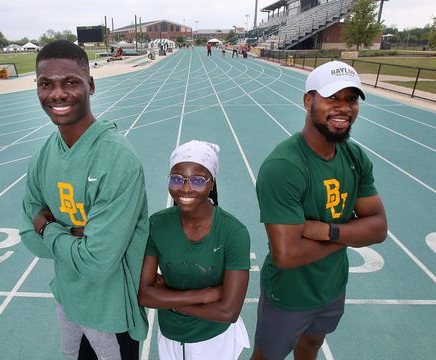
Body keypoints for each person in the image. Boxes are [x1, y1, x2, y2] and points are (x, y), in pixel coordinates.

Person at [19, 40, 148, 360]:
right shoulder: (44, 153)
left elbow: (98, 262)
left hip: (111, 312)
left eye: (70, 82)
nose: (57, 94)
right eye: (45, 84)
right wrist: (77, 233)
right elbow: (26, 234)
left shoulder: (117, 159)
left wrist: (49, 228)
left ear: (90, 85)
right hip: (68, 301)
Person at [252, 61, 388, 360]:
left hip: (332, 285)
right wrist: (350, 234)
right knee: (268, 355)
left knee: (311, 345)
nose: (343, 107)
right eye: (332, 97)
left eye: (351, 99)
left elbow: (378, 229)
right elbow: (286, 255)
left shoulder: (354, 156)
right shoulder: (284, 167)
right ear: (308, 100)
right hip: (289, 294)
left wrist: (327, 231)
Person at [138, 140, 251, 360]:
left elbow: (228, 312)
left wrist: (170, 302)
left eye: (198, 180)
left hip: (214, 341)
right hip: (170, 336)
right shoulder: (156, 225)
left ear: (212, 183)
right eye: (177, 179)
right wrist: (206, 295)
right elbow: (144, 294)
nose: (186, 188)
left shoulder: (233, 232)